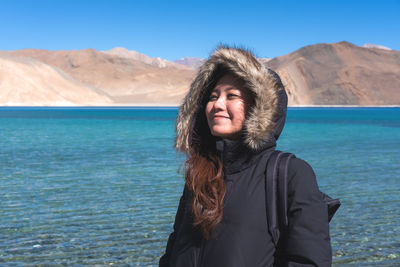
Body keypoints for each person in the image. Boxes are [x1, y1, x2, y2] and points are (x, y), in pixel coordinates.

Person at [159, 46, 332, 267]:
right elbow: (173, 249)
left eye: (231, 96)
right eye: (213, 96)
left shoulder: (290, 174)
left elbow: (308, 260)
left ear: (257, 108)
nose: (217, 105)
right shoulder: (200, 173)